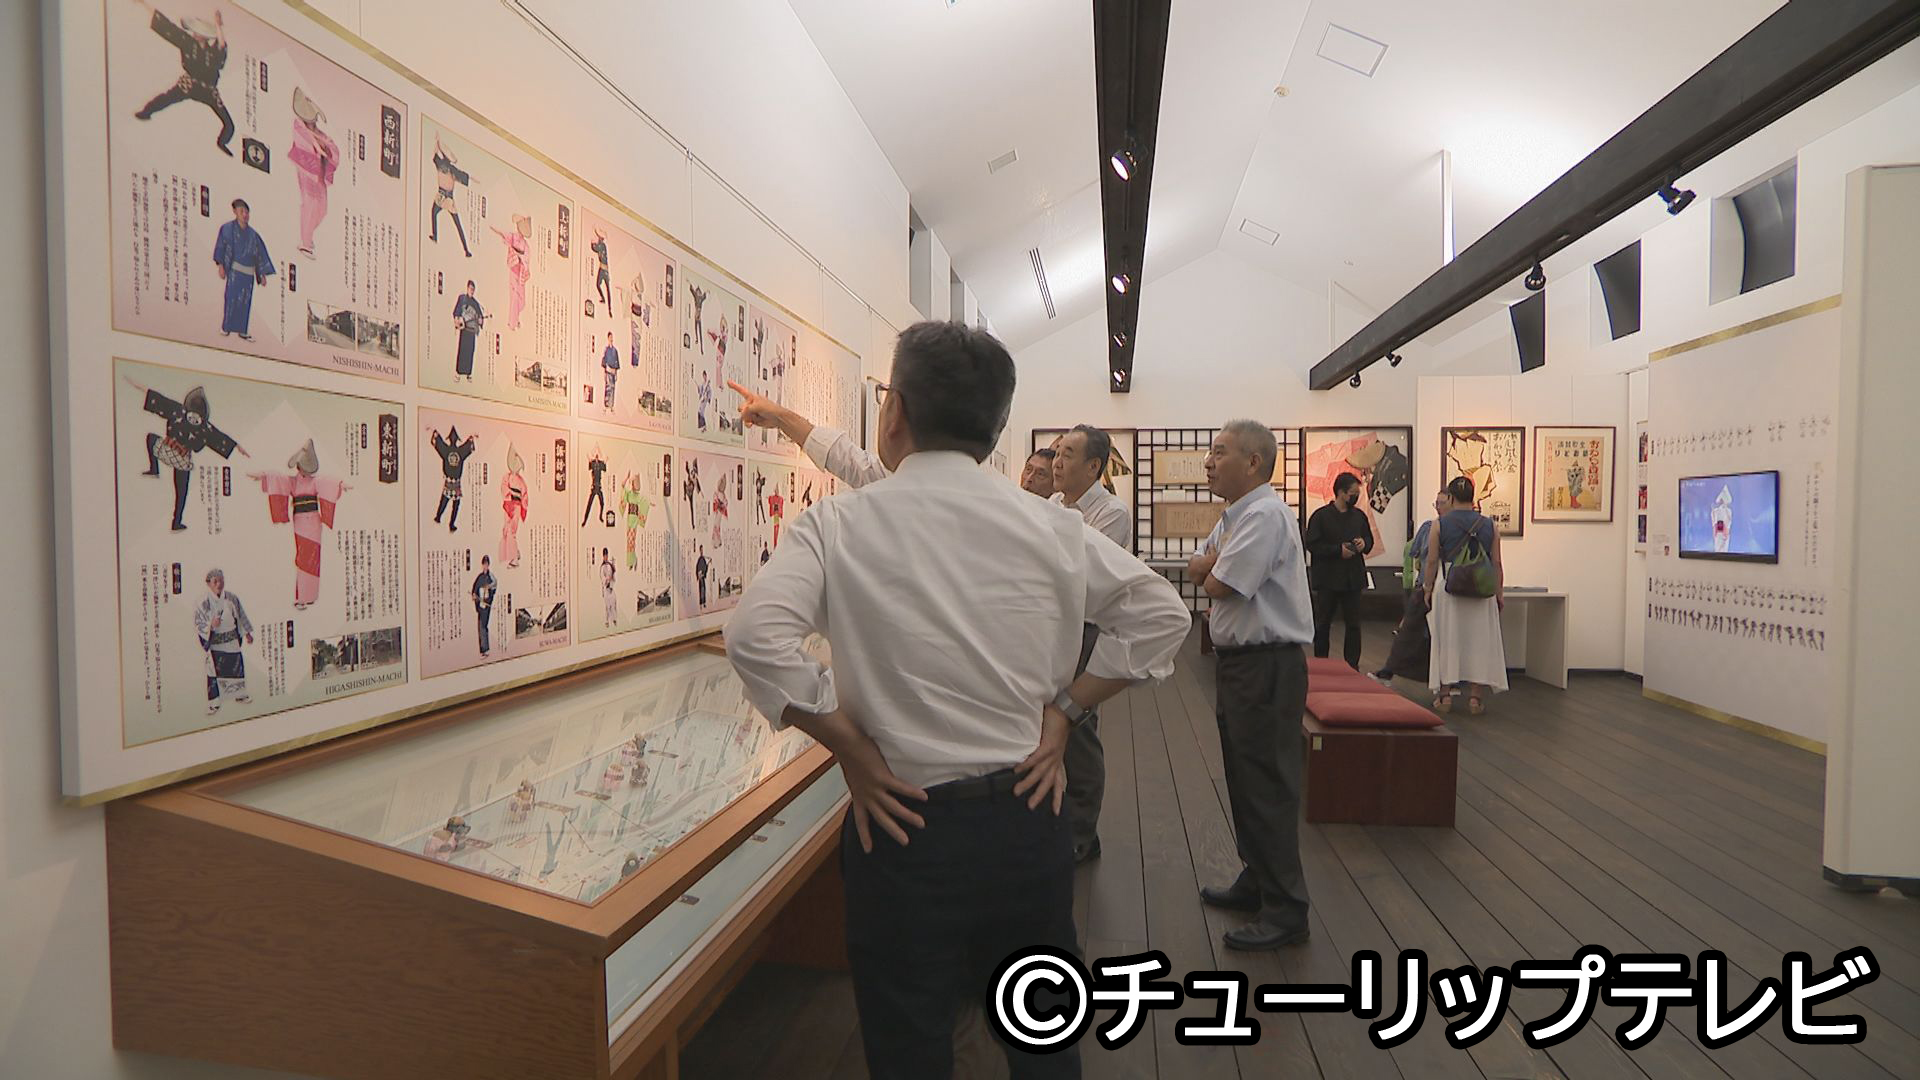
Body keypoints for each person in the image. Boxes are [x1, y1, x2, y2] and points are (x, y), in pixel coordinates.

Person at [727, 321, 1189, 1078]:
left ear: (895, 412)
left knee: (909, 1047)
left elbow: (754, 637)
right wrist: (1066, 711)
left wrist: (850, 746)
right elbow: (1162, 616)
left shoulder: (838, 523)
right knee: (1044, 1048)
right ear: (996, 426)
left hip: (898, 823)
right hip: (1026, 817)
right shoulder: (1050, 525)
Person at [1187, 420, 1315, 951]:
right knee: (1244, 778)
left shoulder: (1263, 516)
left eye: (1220, 452)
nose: (1208, 462)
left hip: (1267, 665)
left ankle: (1285, 909)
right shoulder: (1236, 516)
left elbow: (1218, 582)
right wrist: (1209, 564)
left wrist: (1210, 565)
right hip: (1245, 665)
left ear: (1254, 462)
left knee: (1266, 784)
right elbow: (1199, 567)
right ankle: (1257, 878)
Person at [1049, 424, 1131, 863]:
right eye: (1057, 452)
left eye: (1067, 454)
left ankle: (1083, 832)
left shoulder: (1111, 512)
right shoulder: (1054, 504)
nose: (1056, 462)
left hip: (1085, 631)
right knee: (1047, 720)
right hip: (1051, 629)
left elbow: (1079, 574)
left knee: (1077, 727)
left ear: (1093, 466)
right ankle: (1056, 823)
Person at [1424, 476, 1507, 714]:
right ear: (1473, 497)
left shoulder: (1439, 524)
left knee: (1447, 640)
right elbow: (1497, 562)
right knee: (1479, 642)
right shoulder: (1489, 525)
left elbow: (1432, 560)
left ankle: (1445, 696)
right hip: (1481, 589)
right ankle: (1475, 699)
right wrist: (1499, 592)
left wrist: (1427, 588)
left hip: (1450, 587)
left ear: (1450, 498)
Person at [127, 377, 247, 532]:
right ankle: (176, 521)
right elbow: (219, 437)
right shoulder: (201, 425)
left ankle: (154, 469)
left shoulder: (180, 412)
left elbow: (158, 400)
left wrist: (141, 388)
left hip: (167, 452)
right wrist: (236, 446)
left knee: (151, 438)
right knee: (181, 492)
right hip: (180, 459)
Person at [250, 439, 349, 609]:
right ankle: (304, 595)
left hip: (313, 521)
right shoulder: (293, 482)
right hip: (300, 521)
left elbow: (328, 482)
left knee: (313, 557)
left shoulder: (315, 481)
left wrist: (341, 484)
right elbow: (278, 478)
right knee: (303, 557)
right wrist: (264, 476)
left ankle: (307, 596)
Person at [132, 2, 234, 155]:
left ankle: (222, 142)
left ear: (206, 37)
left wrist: (218, 26)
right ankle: (146, 112)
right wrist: (144, 5)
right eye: (195, 31)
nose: (195, 34)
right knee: (165, 99)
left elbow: (221, 46)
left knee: (229, 124)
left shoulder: (213, 52)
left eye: (199, 32)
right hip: (189, 84)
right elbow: (168, 27)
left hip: (209, 90)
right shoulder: (187, 42)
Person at [1373, 488, 1447, 685]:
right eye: (1436, 503)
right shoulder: (1428, 527)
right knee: (1408, 631)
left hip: (1444, 587)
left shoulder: (1449, 530)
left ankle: (1445, 681)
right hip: (1424, 586)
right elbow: (1416, 556)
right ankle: (1389, 672)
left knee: (1437, 635)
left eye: (1442, 503)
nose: (1438, 507)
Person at [1303, 471, 1373, 669]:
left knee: (1354, 625)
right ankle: (1321, 663)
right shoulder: (1320, 517)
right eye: (1353, 493)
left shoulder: (1359, 516)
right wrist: (1337, 550)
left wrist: (1363, 544)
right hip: (1328, 578)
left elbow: (1369, 540)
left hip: (1353, 578)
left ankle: (1352, 665)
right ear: (1341, 493)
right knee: (1323, 623)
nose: (1355, 497)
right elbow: (1312, 544)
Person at [214, 199, 275, 341]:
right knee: (231, 299)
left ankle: (242, 330)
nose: (245, 215)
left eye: (247, 212)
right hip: (235, 271)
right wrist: (221, 266)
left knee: (245, 302)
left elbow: (260, 255)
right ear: (235, 212)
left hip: (248, 274)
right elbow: (221, 247)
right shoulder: (227, 229)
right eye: (242, 211)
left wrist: (262, 274)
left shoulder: (253, 235)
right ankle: (226, 327)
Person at [195, 568, 254, 715]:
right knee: (213, 670)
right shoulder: (203, 602)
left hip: (231, 640)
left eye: (221, 580)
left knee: (236, 666)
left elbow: (240, 615)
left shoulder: (231, 598)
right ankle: (214, 702)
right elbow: (199, 623)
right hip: (215, 642)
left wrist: (247, 633)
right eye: (215, 581)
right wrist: (210, 626)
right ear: (208, 583)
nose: (219, 584)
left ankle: (239, 694)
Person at [287, 88, 338, 256]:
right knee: (309, 204)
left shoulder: (318, 132)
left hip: (319, 172)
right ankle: (306, 242)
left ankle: (308, 235)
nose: (313, 122)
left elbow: (330, 145)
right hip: (307, 171)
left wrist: (325, 149)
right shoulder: (298, 126)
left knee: (322, 208)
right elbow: (305, 143)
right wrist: (318, 147)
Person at [429, 135, 473, 257]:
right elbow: (436, 151)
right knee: (435, 213)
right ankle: (435, 236)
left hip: (447, 197)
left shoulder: (447, 168)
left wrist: (438, 141)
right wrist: (437, 140)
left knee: (457, 223)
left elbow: (467, 177)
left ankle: (466, 249)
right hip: (442, 195)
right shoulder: (442, 165)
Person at [430, 425, 476, 532]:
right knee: (453, 503)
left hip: (451, 481)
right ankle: (448, 522)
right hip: (455, 482)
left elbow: (439, 443)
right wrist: (471, 439)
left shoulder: (446, 450)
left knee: (445, 500)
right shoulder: (459, 451)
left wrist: (436, 434)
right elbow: (468, 447)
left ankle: (440, 518)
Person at [490, 216, 533, 331]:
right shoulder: (513, 237)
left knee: (521, 299)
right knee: (514, 297)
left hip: (520, 272)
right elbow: (503, 234)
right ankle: (512, 323)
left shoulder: (525, 245)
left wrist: (521, 258)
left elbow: (526, 259)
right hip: (514, 271)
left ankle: (515, 319)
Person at [499, 446, 528, 568]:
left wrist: (522, 504)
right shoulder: (507, 476)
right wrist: (512, 493)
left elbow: (524, 496)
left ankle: (514, 558)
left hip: (516, 507)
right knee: (506, 530)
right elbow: (504, 488)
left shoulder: (521, 481)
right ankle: (514, 552)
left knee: (512, 531)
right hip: (508, 506)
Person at [452, 281, 485, 382]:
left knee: (470, 352)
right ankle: (458, 373)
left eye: (473, 289)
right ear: (467, 288)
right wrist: (457, 320)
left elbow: (480, 316)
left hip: (471, 331)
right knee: (462, 351)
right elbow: (457, 311)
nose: (472, 291)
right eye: (470, 288)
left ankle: (468, 374)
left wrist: (480, 320)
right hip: (464, 329)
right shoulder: (462, 298)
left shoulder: (475, 303)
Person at [472, 556, 496, 657]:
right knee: (480, 626)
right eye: (484, 564)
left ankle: (485, 649)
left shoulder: (491, 577)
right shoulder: (480, 577)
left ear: (488, 565)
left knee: (483, 626)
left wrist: (488, 598)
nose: (485, 566)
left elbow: (493, 589)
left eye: (486, 564)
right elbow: (475, 589)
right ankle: (482, 649)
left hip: (486, 605)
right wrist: (474, 595)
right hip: (480, 604)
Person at [601, 333, 620, 412]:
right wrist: (604, 373)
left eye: (612, 337)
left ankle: (611, 406)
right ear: (608, 338)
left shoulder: (615, 350)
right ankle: (606, 405)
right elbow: (604, 361)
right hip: (608, 370)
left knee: (613, 388)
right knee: (608, 387)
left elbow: (617, 362)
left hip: (613, 371)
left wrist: (616, 374)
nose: (611, 339)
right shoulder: (606, 349)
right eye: (610, 337)